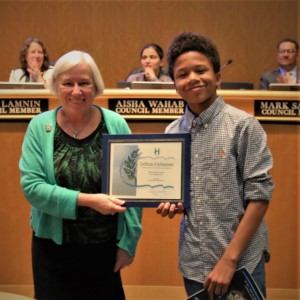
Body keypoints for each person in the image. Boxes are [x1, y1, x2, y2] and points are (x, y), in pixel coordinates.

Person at [156, 32, 274, 299]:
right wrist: (173, 201)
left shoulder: (243, 125)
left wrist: (228, 261)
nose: (193, 78)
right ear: (175, 84)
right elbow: (182, 192)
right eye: (182, 74)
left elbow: (260, 196)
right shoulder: (172, 132)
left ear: (218, 76)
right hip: (194, 261)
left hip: (240, 261)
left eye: (201, 70)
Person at [19, 50, 142, 300]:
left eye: (84, 83)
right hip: (52, 251)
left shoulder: (116, 124)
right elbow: (32, 188)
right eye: (68, 83)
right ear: (56, 86)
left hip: (104, 250)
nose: (77, 91)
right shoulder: (39, 127)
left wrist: (129, 243)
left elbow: (133, 189)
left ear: (95, 86)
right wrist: (88, 200)